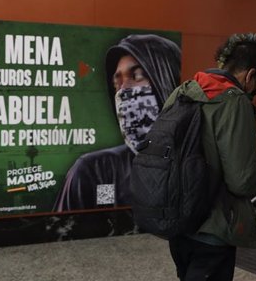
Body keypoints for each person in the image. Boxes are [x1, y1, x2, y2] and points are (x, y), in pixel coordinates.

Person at [166, 33, 256, 281]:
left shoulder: (184, 92)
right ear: (250, 74)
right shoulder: (234, 101)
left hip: (179, 220)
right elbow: (241, 180)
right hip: (213, 228)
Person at [54, 34, 181, 211]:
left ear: (166, 81)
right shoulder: (97, 172)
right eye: (117, 81)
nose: (123, 91)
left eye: (137, 76)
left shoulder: (195, 163)